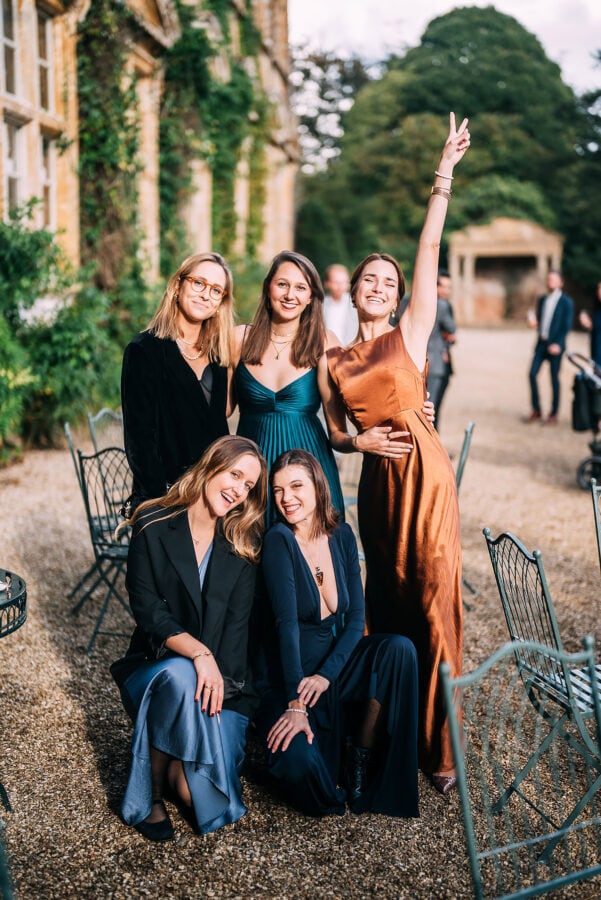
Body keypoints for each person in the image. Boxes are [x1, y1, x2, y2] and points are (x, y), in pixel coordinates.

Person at [321, 112, 470, 795]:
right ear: (353, 290)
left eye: (388, 279)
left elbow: (429, 241)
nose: (378, 285)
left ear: (399, 293)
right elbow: (331, 431)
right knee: (389, 602)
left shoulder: (410, 333)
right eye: (368, 279)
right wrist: (358, 441)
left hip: (427, 480)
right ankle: (385, 731)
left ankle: (441, 748)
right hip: (378, 489)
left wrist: (443, 175)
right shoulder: (332, 359)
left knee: (434, 600)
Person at [110, 435, 268, 841]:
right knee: (181, 673)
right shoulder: (152, 523)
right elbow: (148, 610)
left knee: (209, 802)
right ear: (212, 465)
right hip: (155, 671)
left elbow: (235, 636)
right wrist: (199, 654)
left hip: (222, 685)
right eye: (234, 474)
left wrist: (218, 695)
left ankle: (176, 762)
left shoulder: (241, 545)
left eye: (248, 485)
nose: (238, 489)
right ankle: (149, 795)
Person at [254, 449, 419, 817]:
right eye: (278, 490)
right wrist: (295, 703)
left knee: (398, 649)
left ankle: (359, 758)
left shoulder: (342, 534)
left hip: (332, 667)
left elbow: (356, 617)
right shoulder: (279, 540)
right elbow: (286, 626)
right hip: (291, 672)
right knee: (303, 770)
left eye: (296, 486)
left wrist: (328, 675)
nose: (286, 498)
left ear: (318, 486)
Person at [232, 251, 436, 522]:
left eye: (301, 287)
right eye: (282, 284)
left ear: (311, 297)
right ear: (268, 287)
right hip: (251, 465)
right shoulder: (239, 338)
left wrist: (413, 405)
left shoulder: (324, 343)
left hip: (310, 463)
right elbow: (216, 409)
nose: (290, 294)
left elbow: (357, 404)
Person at [121, 253, 234, 511]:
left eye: (216, 290)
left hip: (211, 497)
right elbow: (140, 439)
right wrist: (161, 500)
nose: (206, 295)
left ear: (221, 302)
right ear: (177, 286)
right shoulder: (144, 350)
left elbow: (218, 429)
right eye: (199, 283)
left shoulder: (218, 354)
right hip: (165, 497)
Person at [525, 269, 574, 425]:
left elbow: (566, 326)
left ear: (561, 282)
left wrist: (558, 344)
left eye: (553, 279)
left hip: (555, 346)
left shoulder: (567, 302)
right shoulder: (542, 299)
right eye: (548, 279)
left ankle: (553, 413)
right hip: (541, 344)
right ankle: (536, 409)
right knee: (532, 374)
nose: (550, 282)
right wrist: (533, 323)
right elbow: (539, 321)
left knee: (554, 379)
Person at [426, 270, 457, 432]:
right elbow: (452, 329)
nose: (445, 290)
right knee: (433, 410)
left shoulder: (414, 302)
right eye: (442, 286)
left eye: (448, 287)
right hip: (437, 364)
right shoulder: (443, 305)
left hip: (422, 362)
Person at [323, 264, 358, 346]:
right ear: (327, 283)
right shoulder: (320, 305)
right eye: (336, 282)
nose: (340, 286)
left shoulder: (356, 303)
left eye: (344, 282)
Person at [578, 281, 601, 366]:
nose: (599, 291)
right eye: (598, 288)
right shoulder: (597, 309)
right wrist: (587, 324)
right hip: (596, 357)